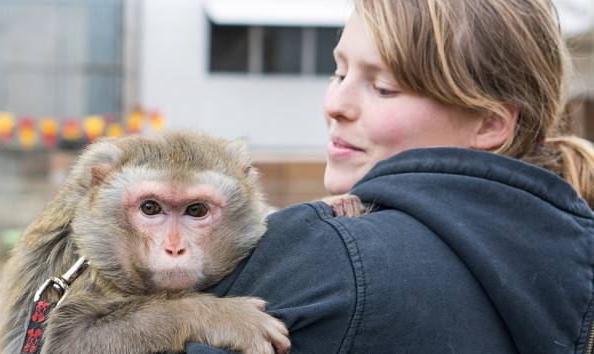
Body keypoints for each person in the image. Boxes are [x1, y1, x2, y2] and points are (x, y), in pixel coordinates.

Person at [185, 0, 594, 352]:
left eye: (382, 87)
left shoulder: (334, 258)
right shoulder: (566, 266)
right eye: (339, 72)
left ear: (489, 123)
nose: (335, 103)